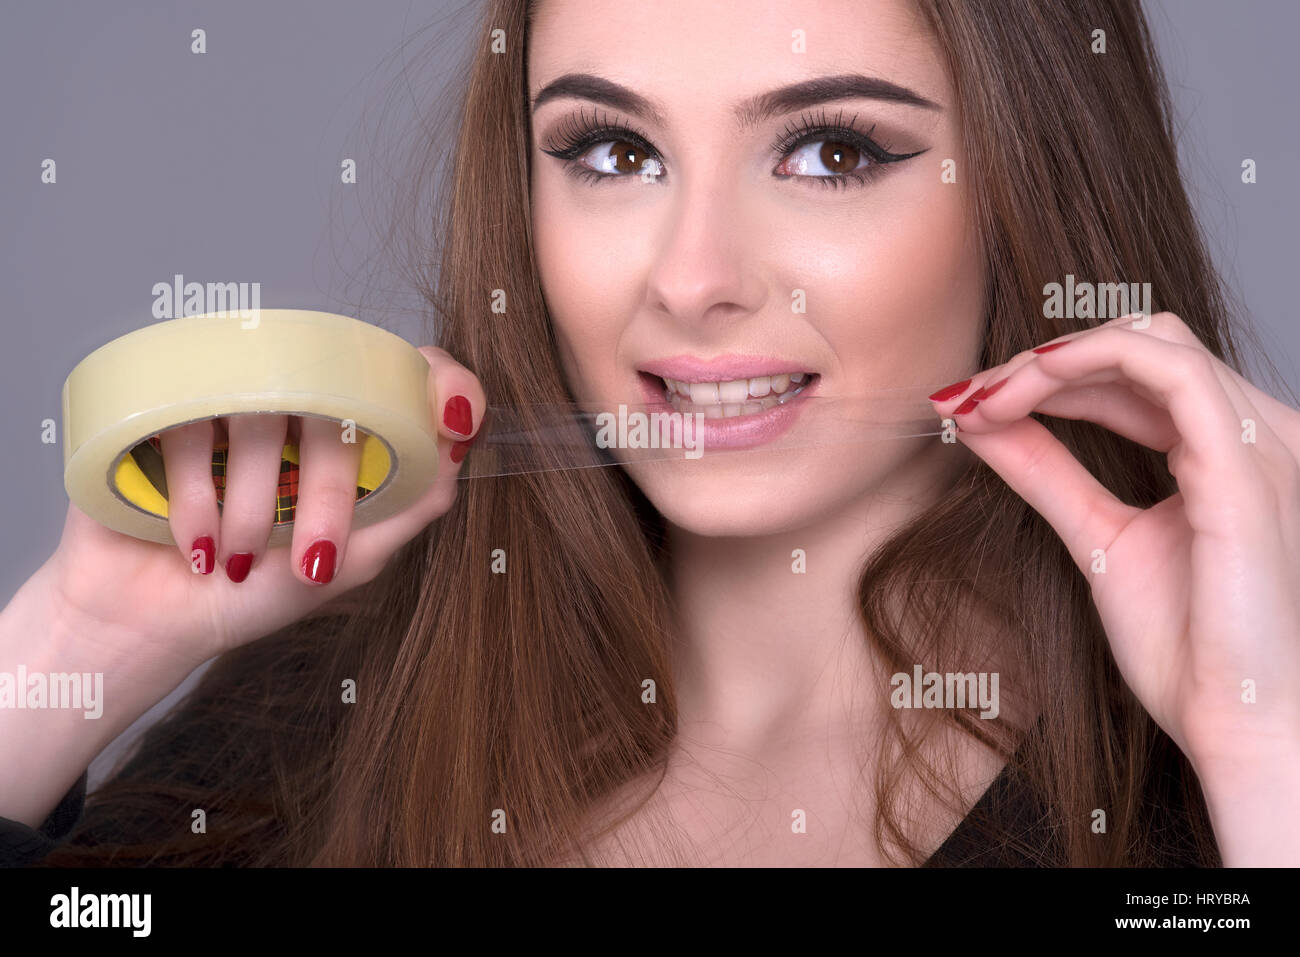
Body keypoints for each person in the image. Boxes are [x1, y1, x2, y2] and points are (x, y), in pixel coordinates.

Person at [2, 0, 1297, 867]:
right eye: (613, 152)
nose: (691, 278)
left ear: (1029, 191)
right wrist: (76, 644)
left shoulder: (1203, 808)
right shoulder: (313, 726)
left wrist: (1269, 750)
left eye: (833, 152)